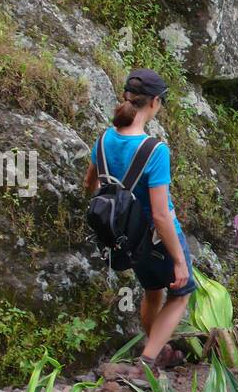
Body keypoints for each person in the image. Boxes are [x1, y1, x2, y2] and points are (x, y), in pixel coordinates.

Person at [84, 68, 196, 374]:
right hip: (157, 235)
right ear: (155, 102)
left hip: (126, 238)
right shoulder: (154, 150)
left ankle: (156, 348)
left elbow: (91, 184)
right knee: (181, 292)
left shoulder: (105, 138)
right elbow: (161, 214)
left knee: (152, 291)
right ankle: (147, 361)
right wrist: (179, 260)